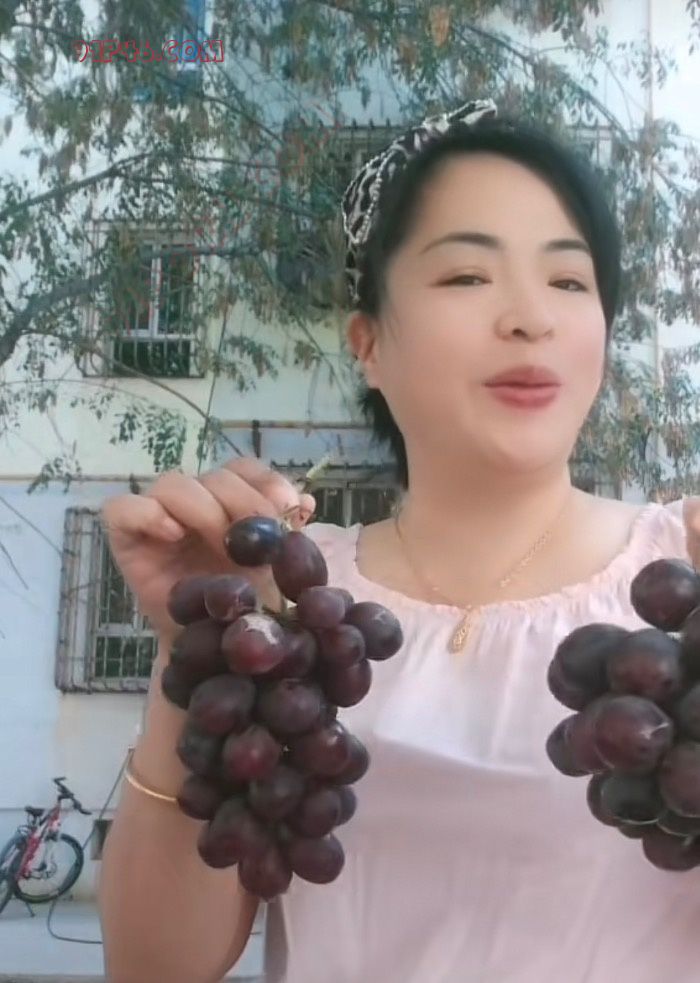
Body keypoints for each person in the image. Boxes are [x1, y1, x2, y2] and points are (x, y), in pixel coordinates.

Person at [98, 99, 700, 983]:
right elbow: (155, 967)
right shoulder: (295, 606)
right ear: (369, 343)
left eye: (570, 282)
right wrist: (190, 657)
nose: (530, 316)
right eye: (467, 275)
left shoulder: (681, 587)